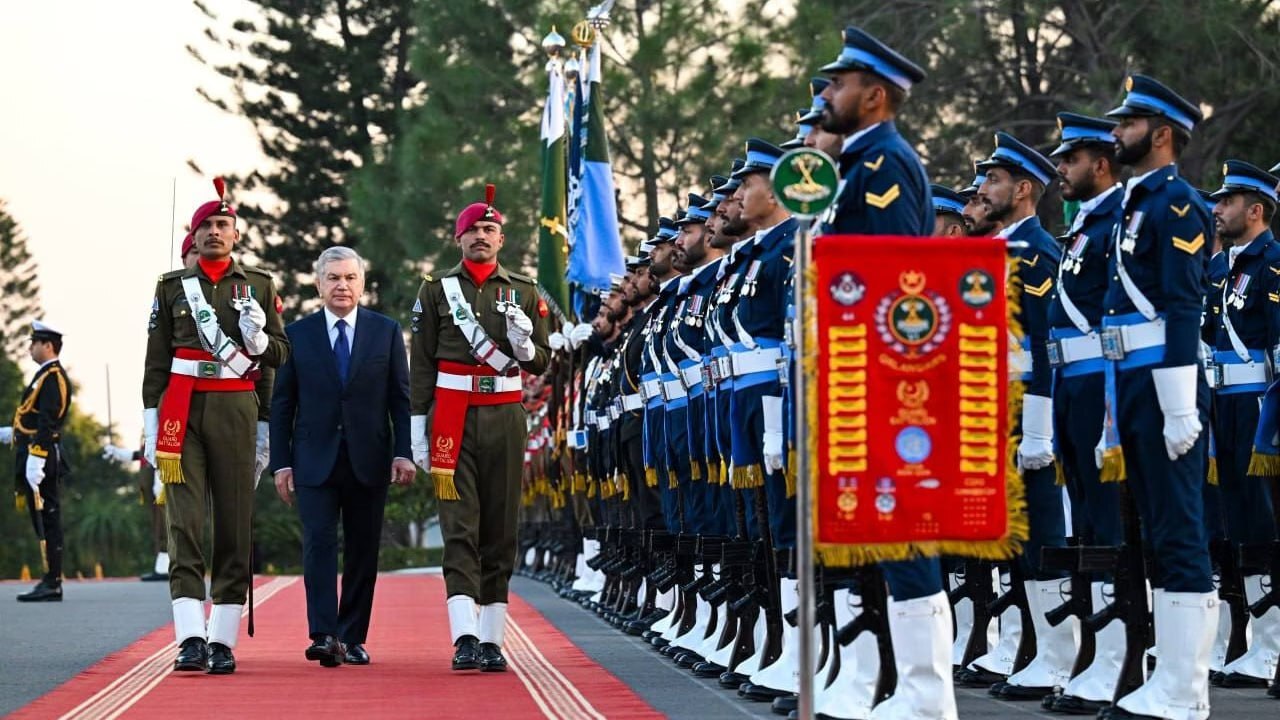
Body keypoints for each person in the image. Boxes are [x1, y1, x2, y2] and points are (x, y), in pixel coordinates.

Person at [816, 26, 956, 719]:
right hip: (859, 365)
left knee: (905, 529)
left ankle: (928, 696)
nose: (828, 95)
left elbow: (900, 278)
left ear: (873, 97)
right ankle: (903, 688)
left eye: (839, 84)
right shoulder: (854, 165)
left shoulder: (886, 164)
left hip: (887, 368)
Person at [1097, 74, 1215, 720]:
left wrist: (1178, 405)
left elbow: (1183, 305)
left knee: (1179, 530)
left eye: (1129, 123)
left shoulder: (1176, 204)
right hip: (1134, 385)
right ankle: (1168, 678)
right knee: (1155, 532)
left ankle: (1186, 689)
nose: (1116, 133)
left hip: (1167, 385)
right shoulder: (1135, 203)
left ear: (1162, 134)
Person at [143, 179, 289, 674]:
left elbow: (279, 357)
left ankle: (222, 638)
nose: (213, 231)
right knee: (184, 524)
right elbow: (156, 362)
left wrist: (258, 341)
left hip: (236, 409)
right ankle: (189, 637)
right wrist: (150, 423)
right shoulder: (171, 287)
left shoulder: (260, 285)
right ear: (194, 232)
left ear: (236, 233)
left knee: (233, 523)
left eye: (222, 224)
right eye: (205, 224)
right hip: (181, 410)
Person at [409, 185, 551, 672]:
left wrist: (524, 345)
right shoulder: (435, 290)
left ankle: (492, 638)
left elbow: (542, 361)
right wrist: (416, 428)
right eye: (472, 230)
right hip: (451, 413)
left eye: (489, 229)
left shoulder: (526, 292)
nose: (481, 237)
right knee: (459, 527)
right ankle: (464, 635)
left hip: (505, 413)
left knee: (500, 527)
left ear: (501, 238)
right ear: (459, 239)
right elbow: (422, 363)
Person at [270, 246, 415, 668]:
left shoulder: (386, 332)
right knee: (318, 543)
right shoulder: (296, 335)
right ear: (319, 284)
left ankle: (352, 637)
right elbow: (282, 405)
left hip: (369, 458)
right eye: (333, 278)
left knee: (362, 549)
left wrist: (403, 452)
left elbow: (400, 399)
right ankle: (324, 634)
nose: (342, 285)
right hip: (312, 459)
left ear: (361, 284)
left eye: (350, 278)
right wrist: (281, 462)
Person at [1042, 112, 1127, 714]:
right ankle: (1098, 654)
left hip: (1101, 381)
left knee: (1108, 517)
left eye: (1069, 160)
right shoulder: (1083, 227)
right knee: (1089, 526)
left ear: (1100, 164)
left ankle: (1122, 658)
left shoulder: (1116, 222)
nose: (1061, 170)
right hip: (1071, 381)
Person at [1202, 160, 1280, 689]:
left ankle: (1270, 648)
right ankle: (1238, 639)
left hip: (1258, 405)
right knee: (1227, 524)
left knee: (1260, 523)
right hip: (1220, 405)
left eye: (1227, 201)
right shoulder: (1218, 269)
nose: (1217, 209)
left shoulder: (1274, 265)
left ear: (1255, 210)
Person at [104, 233, 201, 582]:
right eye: (192, 251)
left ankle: (185, 561)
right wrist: (132, 451)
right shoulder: (170, 290)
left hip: (207, 402)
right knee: (158, 498)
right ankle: (167, 560)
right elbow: (157, 360)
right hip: (173, 403)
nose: (198, 257)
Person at [4, 321, 72, 602]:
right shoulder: (43, 375)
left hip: (41, 456)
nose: (30, 348)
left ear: (48, 346)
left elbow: (49, 421)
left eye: (34, 343)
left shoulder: (53, 377)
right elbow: (31, 417)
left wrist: (38, 458)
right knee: (40, 517)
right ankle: (48, 578)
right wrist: (12, 433)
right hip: (33, 450)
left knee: (48, 516)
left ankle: (52, 581)